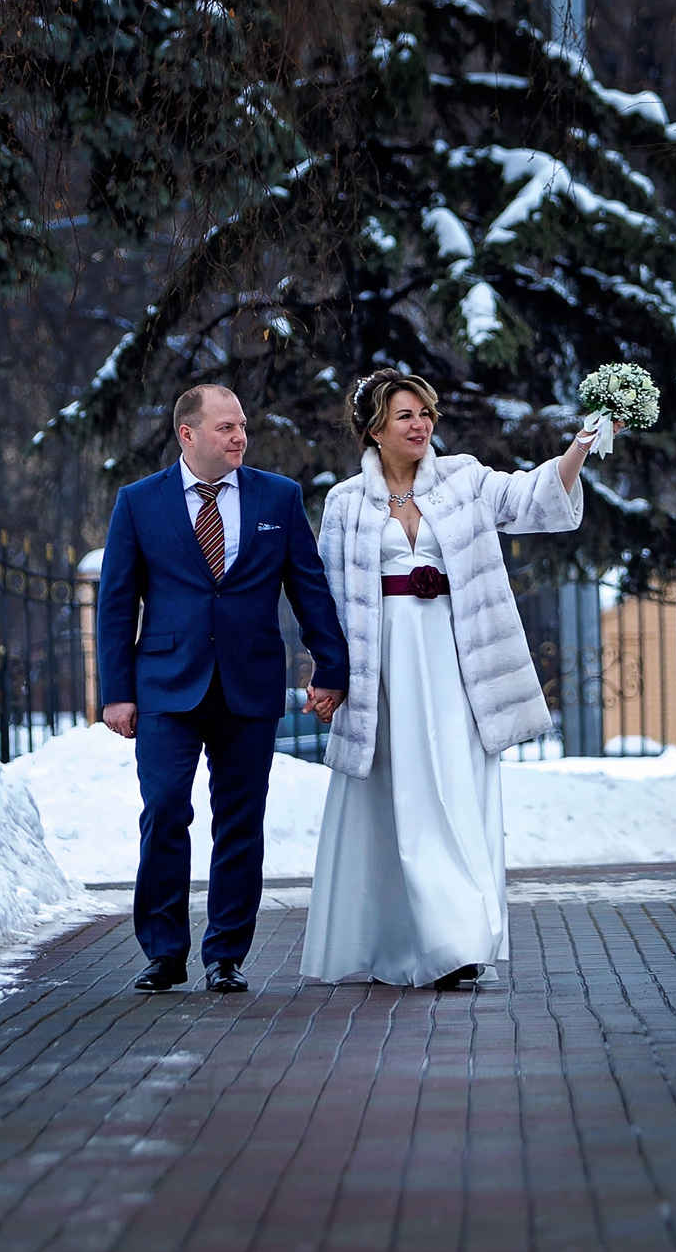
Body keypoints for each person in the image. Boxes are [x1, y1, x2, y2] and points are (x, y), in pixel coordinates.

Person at [301, 370, 610, 990]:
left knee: (456, 789)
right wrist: (329, 674)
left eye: (426, 414)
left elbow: (531, 499)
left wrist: (581, 444)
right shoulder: (344, 504)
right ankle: (408, 938)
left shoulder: (465, 479)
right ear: (373, 429)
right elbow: (327, 599)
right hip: (384, 667)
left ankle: (461, 940)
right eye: (405, 415)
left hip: (457, 657)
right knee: (398, 794)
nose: (420, 426)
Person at [97, 384, 350, 995]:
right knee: (164, 812)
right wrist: (116, 691)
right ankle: (163, 951)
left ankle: (226, 955)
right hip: (165, 687)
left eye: (243, 426)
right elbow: (114, 601)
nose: (240, 436)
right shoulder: (139, 502)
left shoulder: (279, 497)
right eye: (226, 427)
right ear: (188, 435)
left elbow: (309, 590)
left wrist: (331, 669)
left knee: (241, 821)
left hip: (249, 684)